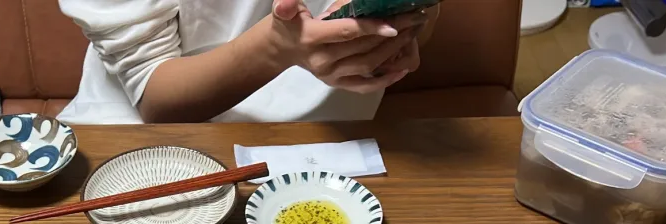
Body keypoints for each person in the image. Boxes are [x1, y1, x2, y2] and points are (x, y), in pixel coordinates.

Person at [57, 0, 439, 124]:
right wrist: (275, 48)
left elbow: (423, 14)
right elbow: (155, 96)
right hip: (141, 144)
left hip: (336, 148)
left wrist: (400, 33)